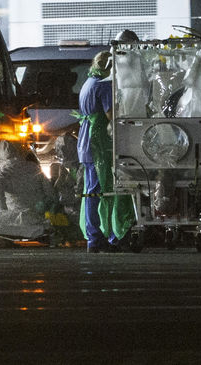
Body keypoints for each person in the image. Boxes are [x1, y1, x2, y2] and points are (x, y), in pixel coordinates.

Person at [76, 50, 135, 253]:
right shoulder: (104, 85)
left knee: (91, 190)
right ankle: (99, 236)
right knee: (100, 191)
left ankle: (95, 236)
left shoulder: (88, 83)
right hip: (98, 142)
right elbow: (111, 116)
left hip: (86, 140)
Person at [0, 140, 56, 242]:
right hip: (38, 217)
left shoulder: (0, 176)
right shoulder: (34, 168)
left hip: (15, 219)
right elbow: (50, 193)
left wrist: (4, 220)